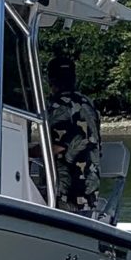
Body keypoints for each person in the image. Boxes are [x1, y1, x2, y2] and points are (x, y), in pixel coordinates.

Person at [46, 53, 102, 215]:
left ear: (51, 80)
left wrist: (26, 152)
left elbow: (57, 147)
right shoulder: (87, 103)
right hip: (90, 185)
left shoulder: (58, 106)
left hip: (68, 190)